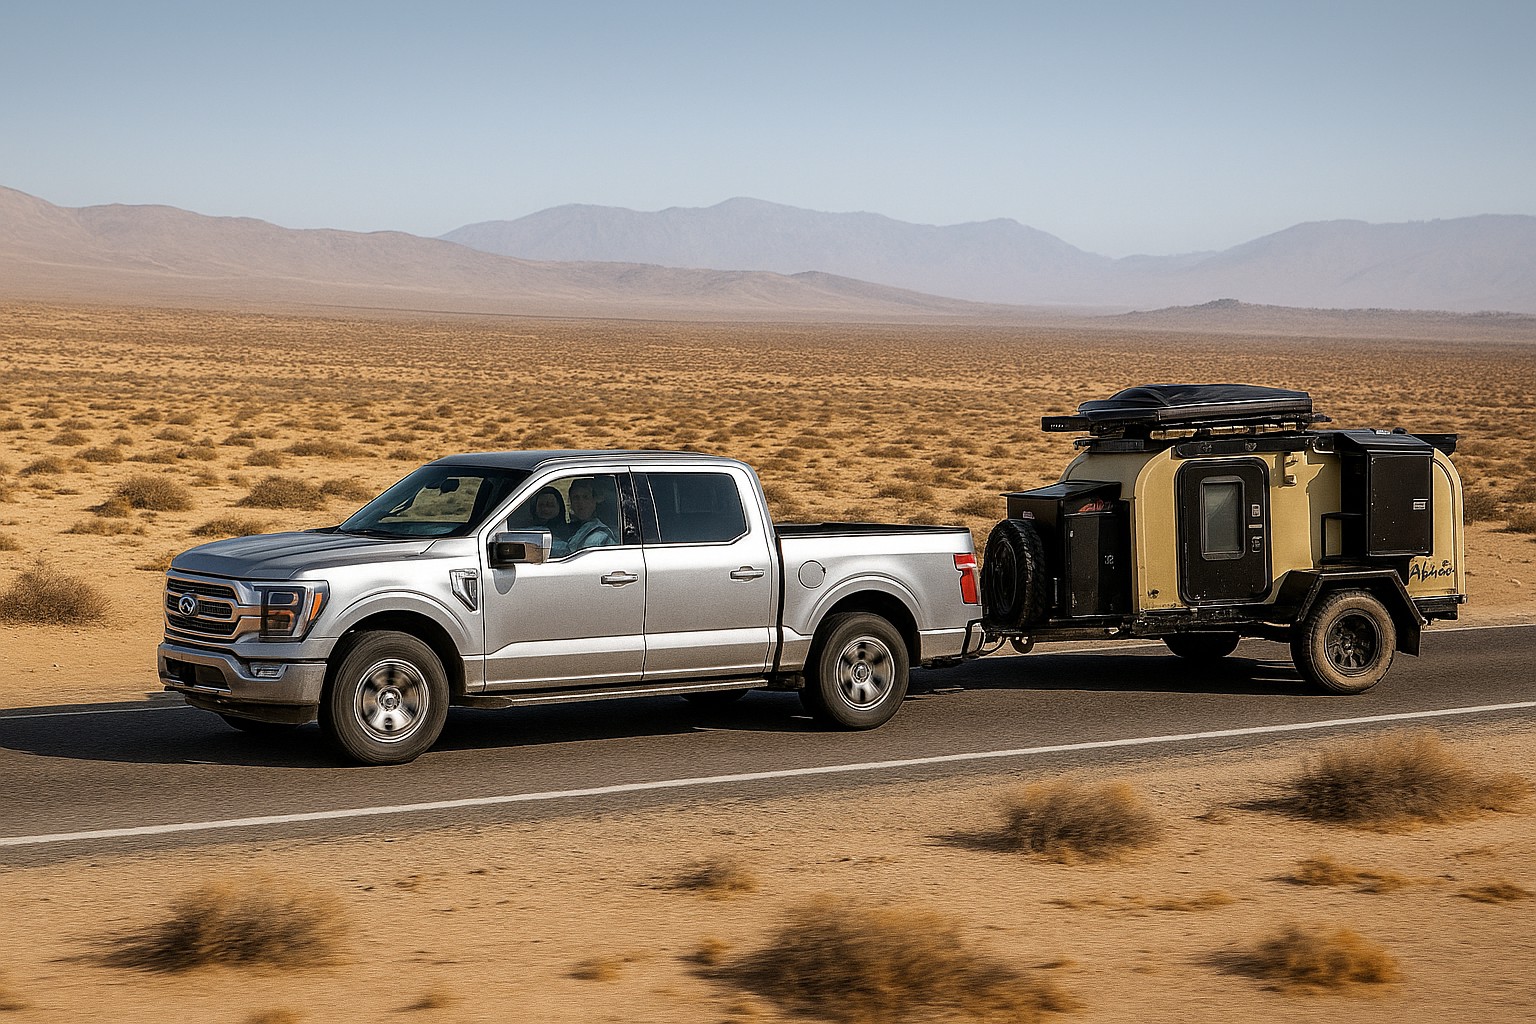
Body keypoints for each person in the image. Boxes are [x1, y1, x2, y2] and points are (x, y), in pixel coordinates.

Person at [564, 477, 619, 553]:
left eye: (585, 497)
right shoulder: (567, 529)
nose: (580, 502)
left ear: (594, 500)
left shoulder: (601, 536)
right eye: (576, 497)